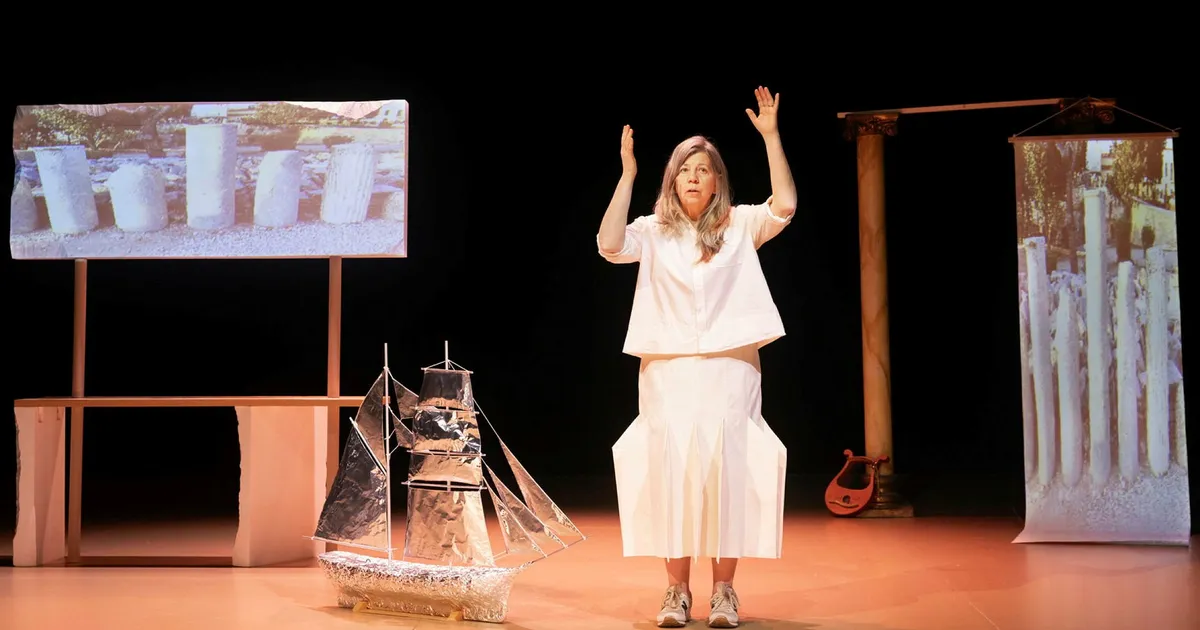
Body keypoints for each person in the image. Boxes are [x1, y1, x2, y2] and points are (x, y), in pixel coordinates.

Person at [597, 87, 796, 628]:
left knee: (728, 471)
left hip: (731, 367)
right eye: (684, 169)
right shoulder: (653, 232)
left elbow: (785, 205)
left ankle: (725, 592)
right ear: (672, 179)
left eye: (702, 169)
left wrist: (771, 138)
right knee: (673, 471)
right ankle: (676, 591)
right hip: (668, 370)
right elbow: (609, 244)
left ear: (716, 181)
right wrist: (627, 175)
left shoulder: (740, 224)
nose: (692, 176)